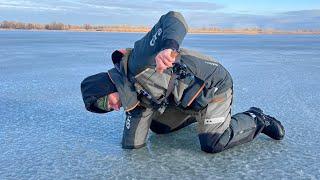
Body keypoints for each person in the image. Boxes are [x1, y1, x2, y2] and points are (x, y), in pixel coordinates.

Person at [80, 11, 285, 153]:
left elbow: (174, 18)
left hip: (213, 86)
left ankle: (257, 118)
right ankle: (199, 116)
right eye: (106, 109)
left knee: (212, 144)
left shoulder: (140, 60)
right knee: (160, 127)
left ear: (106, 85)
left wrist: (167, 48)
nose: (114, 108)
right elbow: (133, 142)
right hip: (186, 99)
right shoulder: (132, 100)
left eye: (106, 102)